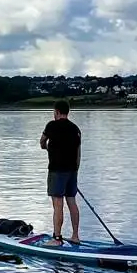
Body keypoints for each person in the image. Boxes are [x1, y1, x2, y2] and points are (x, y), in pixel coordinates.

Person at [39, 101, 82, 245]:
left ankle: (57, 239)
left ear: (56, 111)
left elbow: (42, 142)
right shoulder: (75, 128)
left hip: (57, 170)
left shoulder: (51, 125)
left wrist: (46, 147)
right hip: (72, 170)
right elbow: (78, 153)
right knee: (72, 202)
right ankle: (75, 236)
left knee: (58, 204)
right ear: (67, 112)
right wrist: (75, 170)